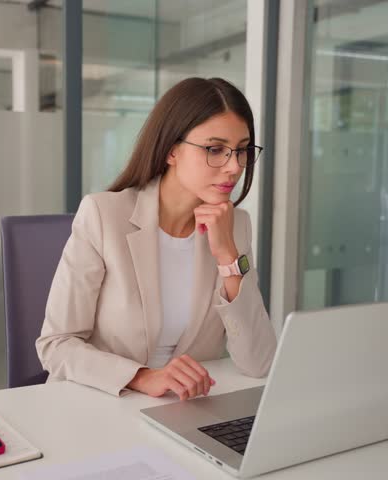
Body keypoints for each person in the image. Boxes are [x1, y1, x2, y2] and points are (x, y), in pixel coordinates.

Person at [36, 77, 277, 401]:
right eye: (215, 149)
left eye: (242, 150)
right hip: (100, 404)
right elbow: (56, 345)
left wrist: (227, 257)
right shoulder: (103, 216)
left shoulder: (235, 227)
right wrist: (141, 377)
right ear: (171, 150)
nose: (234, 167)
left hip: (185, 411)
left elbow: (258, 361)